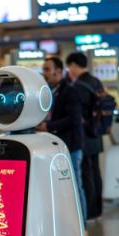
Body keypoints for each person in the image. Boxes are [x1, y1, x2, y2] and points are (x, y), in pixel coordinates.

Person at [37, 55, 87, 224]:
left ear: (58, 71)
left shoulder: (70, 91)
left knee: (76, 186)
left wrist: (48, 126)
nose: (44, 73)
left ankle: (83, 226)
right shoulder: (51, 91)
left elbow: (74, 119)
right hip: (59, 146)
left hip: (71, 146)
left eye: (47, 70)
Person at [66, 52, 103, 220]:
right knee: (95, 172)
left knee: (86, 174)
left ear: (74, 65)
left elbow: (77, 114)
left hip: (85, 136)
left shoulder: (78, 86)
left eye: (69, 67)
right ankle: (98, 209)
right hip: (97, 133)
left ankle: (90, 212)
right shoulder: (96, 82)